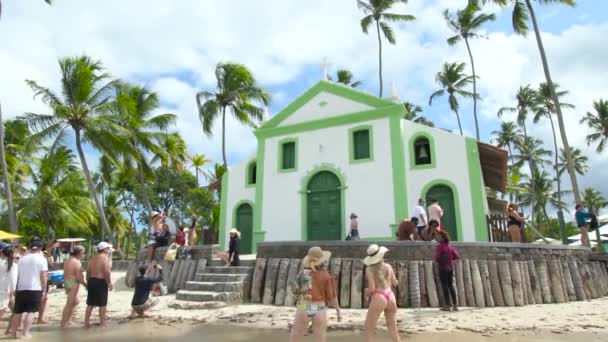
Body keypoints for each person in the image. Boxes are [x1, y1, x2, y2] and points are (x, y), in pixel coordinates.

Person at [289, 246, 341, 342]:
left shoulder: (303, 274)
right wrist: (338, 311)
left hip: (304, 306)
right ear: (323, 261)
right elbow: (332, 297)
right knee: (320, 337)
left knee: (296, 336)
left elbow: (295, 290)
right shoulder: (326, 276)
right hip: (319, 307)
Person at [7, 238, 48, 339]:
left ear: (30, 248)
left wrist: (16, 288)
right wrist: (44, 290)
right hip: (34, 289)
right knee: (30, 312)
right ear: (40, 248)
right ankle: (25, 333)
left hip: (21, 288)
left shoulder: (22, 259)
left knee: (17, 312)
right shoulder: (42, 259)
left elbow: (18, 275)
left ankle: (13, 333)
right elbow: (43, 276)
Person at [363, 244, 400, 342]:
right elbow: (395, 283)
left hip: (379, 297)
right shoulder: (388, 266)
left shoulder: (369, 269)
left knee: (369, 328)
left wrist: (366, 291)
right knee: (393, 329)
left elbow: (372, 288)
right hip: (390, 296)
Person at [85, 242, 113, 328]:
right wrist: (109, 283)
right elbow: (106, 272)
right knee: (102, 304)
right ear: (104, 249)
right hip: (100, 282)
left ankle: (86, 323)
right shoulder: (105, 258)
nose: (108, 250)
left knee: (90, 303)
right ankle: (102, 323)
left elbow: (88, 271)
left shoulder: (92, 258)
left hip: (91, 281)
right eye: (107, 248)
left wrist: (88, 281)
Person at [61, 246, 87, 329]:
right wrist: (85, 285)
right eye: (83, 253)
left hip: (68, 282)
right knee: (69, 304)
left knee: (75, 302)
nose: (83, 255)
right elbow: (79, 277)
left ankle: (68, 320)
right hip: (73, 283)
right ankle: (64, 323)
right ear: (79, 253)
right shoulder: (76, 262)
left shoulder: (68, 260)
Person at [435, 231, 460, 311]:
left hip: (443, 268)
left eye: (438, 236)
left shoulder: (440, 246)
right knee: (451, 286)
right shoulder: (450, 246)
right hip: (450, 268)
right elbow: (457, 256)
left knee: (445, 286)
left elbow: (437, 258)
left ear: (442, 237)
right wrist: (449, 258)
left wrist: (441, 259)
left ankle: (447, 305)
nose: (437, 238)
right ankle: (455, 305)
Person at [0, 247, 18, 322]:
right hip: (5, 289)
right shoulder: (13, 265)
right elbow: (13, 280)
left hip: (4, 289)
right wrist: (13, 291)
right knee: (4, 307)